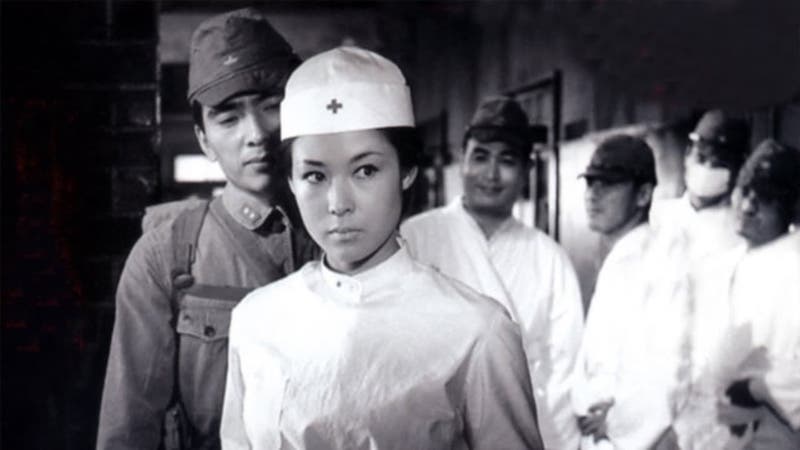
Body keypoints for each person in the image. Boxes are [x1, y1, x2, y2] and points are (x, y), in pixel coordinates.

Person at [220, 46, 544, 450]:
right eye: (315, 175)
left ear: (407, 172)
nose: (338, 203)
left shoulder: (478, 332)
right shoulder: (256, 319)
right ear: (290, 181)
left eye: (366, 170)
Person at [97, 9, 318, 449]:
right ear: (204, 141)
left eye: (271, 106)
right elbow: (129, 428)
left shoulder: (344, 235)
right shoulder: (166, 255)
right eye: (228, 118)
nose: (256, 134)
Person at [400, 96, 584, 450]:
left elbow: (565, 366)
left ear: (527, 171)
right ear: (462, 160)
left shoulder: (549, 257)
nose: (491, 174)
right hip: (430, 427)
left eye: (507, 161)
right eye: (480, 157)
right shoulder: (417, 236)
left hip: (521, 425)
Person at [570, 135, 691, 449]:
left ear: (643, 194)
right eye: (591, 183)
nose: (593, 194)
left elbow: (668, 368)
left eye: (608, 184)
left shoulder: (660, 263)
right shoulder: (620, 258)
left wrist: (617, 421)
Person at [713, 139, 800, 449]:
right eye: (746, 192)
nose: (748, 207)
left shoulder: (794, 267)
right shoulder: (728, 262)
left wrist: (757, 387)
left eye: (765, 200)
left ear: (790, 209)